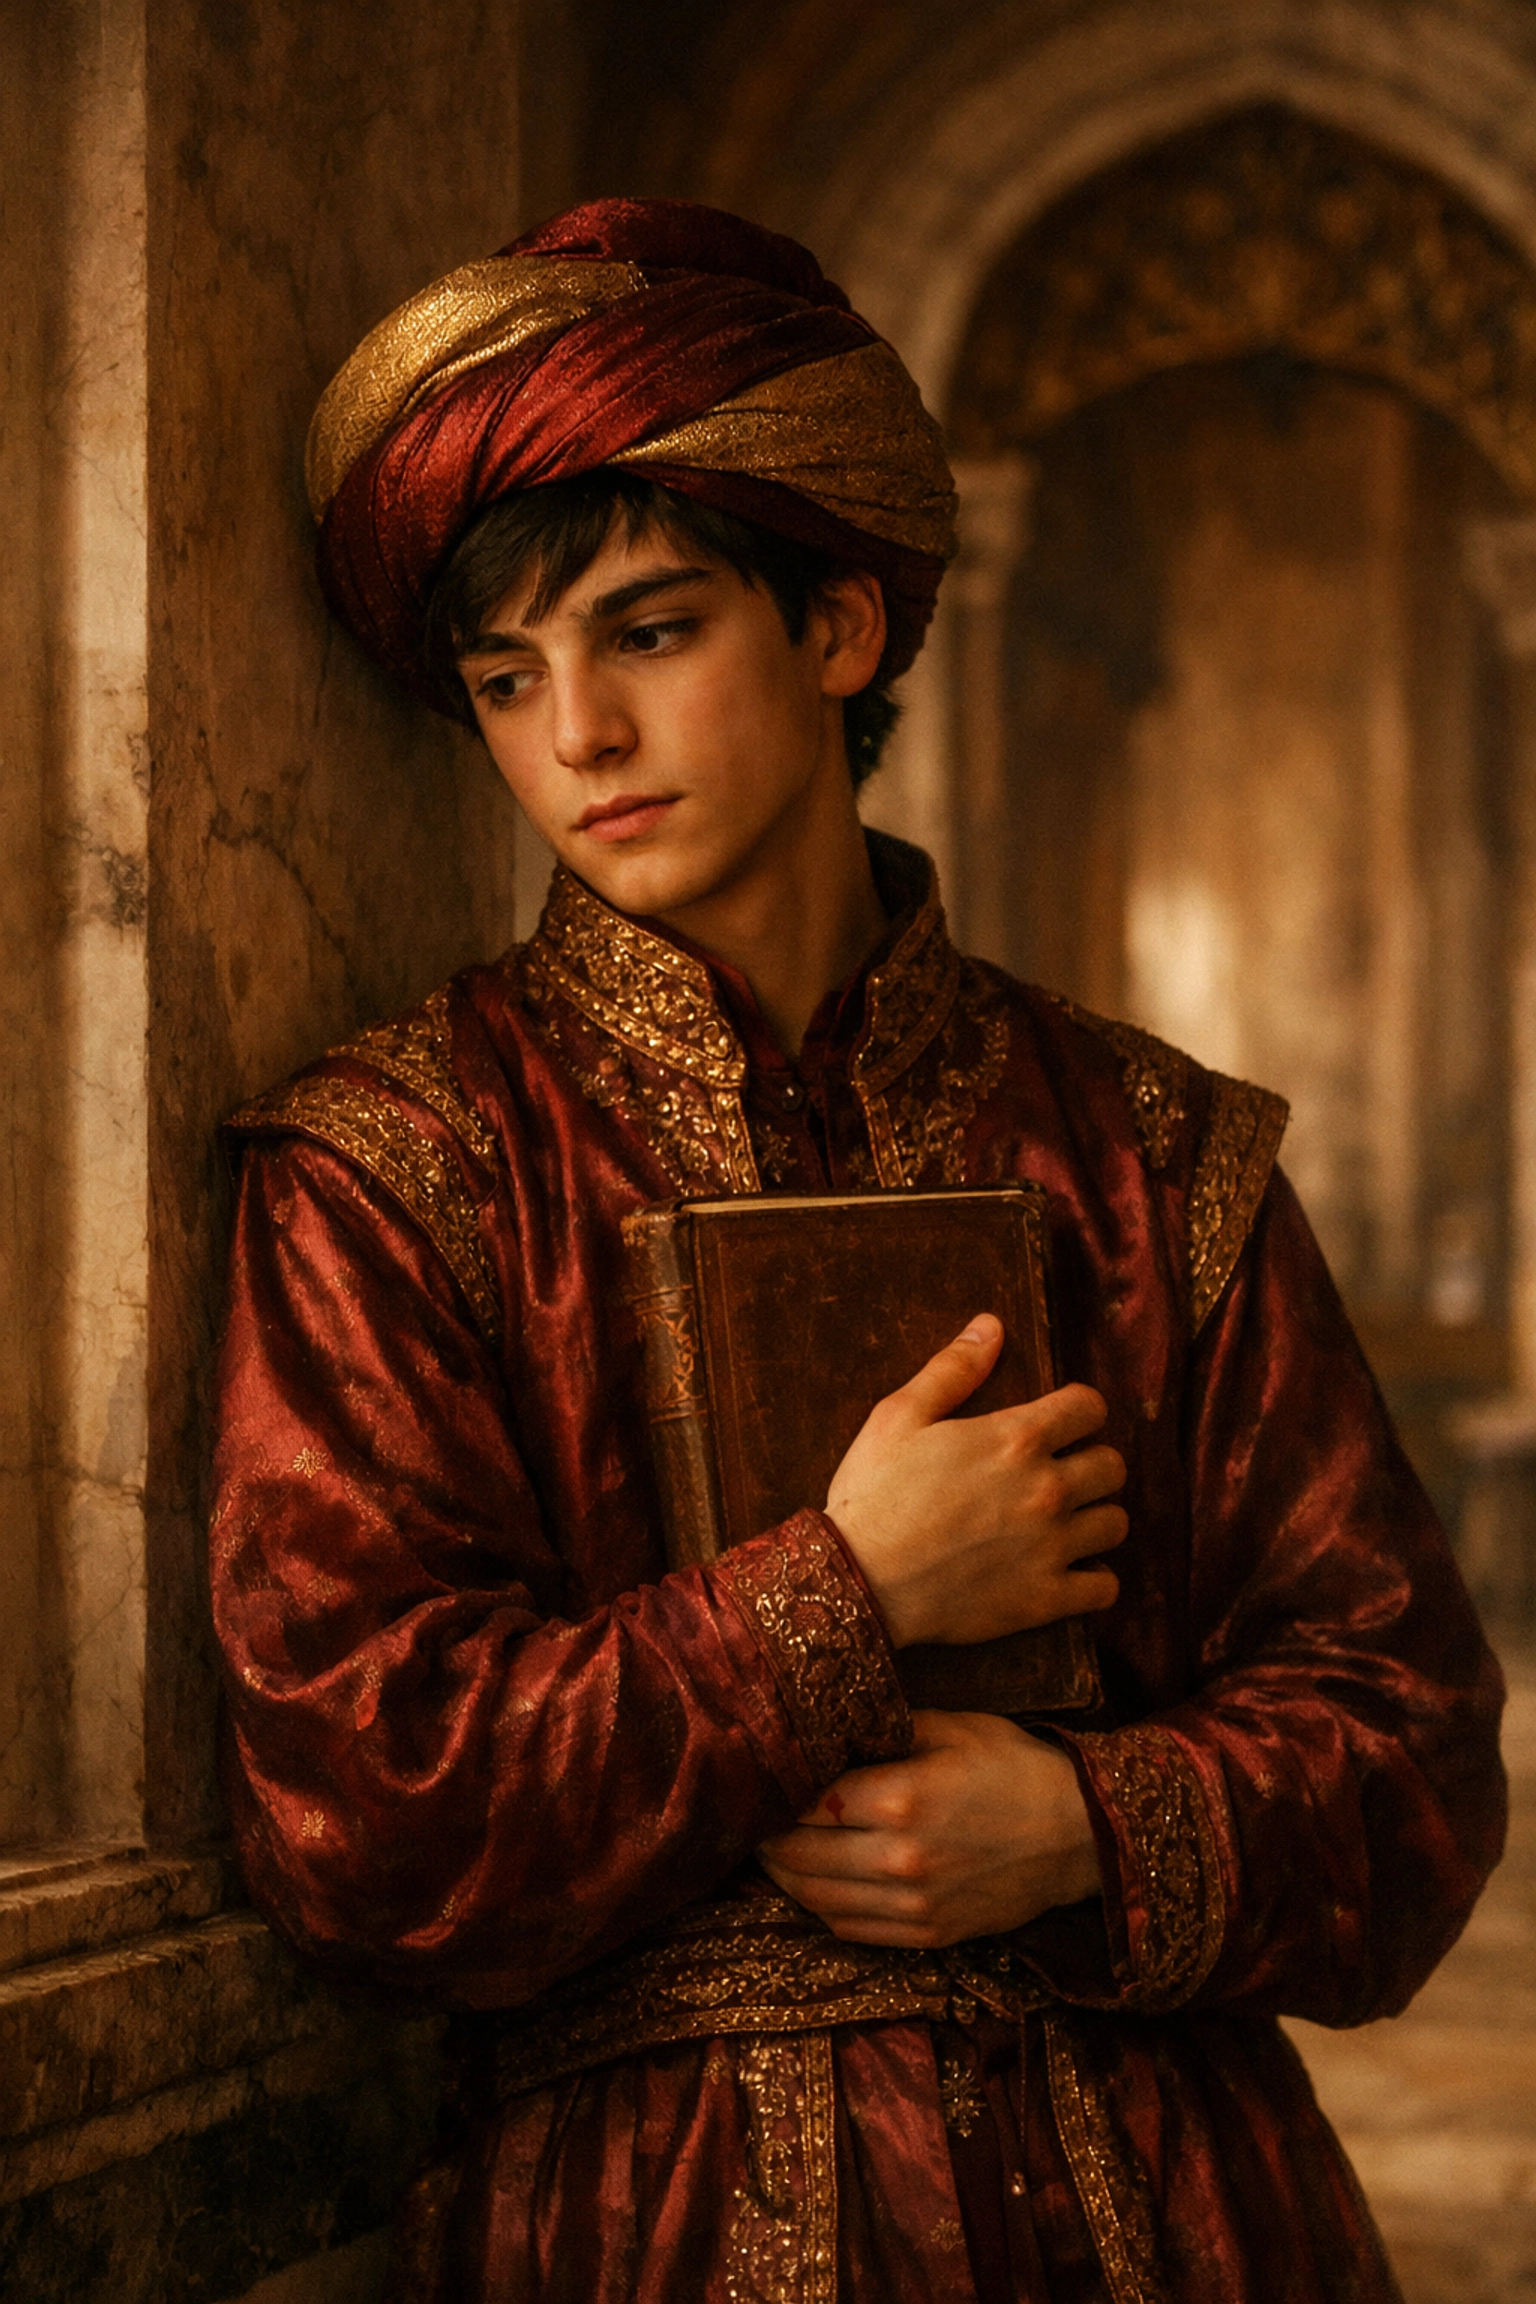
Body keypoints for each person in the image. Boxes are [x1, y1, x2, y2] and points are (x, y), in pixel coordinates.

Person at [211, 198, 1506, 2304]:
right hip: (651, 2229)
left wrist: (1084, 1827)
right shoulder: (394, 1164)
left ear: (837, 627)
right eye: (504, 680)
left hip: (1179, 2217)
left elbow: (1419, 1754)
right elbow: (372, 1828)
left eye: (648, 632)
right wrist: (842, 1598)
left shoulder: (1152, 1148)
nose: (578, 744)